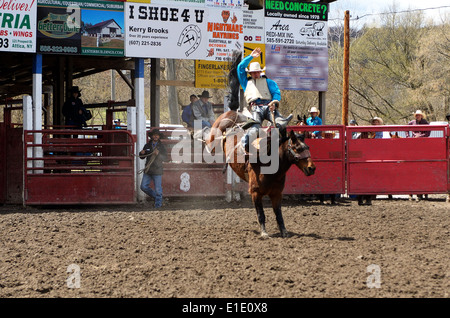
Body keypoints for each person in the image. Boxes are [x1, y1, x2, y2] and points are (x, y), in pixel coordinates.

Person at [237, 47, 292, 151]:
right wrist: (251, 57)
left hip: (269, 107)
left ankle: (284, 148)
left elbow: (276, 92)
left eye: (257, 72)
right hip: (255, 109)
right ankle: (244, 144)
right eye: (253, 72)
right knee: (254, 130)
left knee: (281, 124)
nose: (255, 74)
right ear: (250, 73)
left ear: (260, 72)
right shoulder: (246, 82)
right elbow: (240, 68)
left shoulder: (269, 82)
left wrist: (274, 102)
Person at [139, 129, 168, 208]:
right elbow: (142, 157)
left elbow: (166, 158)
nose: (155, 136)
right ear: (152, 136)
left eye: (157, 135)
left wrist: (158, 154)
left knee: (158, 189)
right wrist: (141, 153)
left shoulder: (161, 147)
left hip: (157, 169)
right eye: (154, 135)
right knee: (143, 187)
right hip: (148, 169)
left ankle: (158, 205)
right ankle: (158, 198)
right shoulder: (147, 145)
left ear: (159, 136)